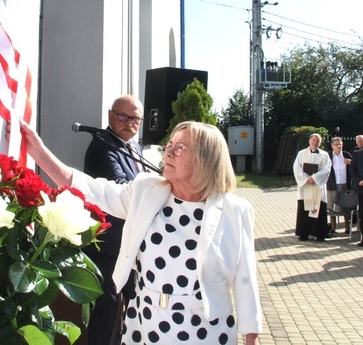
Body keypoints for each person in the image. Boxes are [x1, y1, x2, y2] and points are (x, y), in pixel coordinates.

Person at [19, 119, 262, 345]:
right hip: (146, 324)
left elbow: (246, 280)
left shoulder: (234, 211)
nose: (168, 152)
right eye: (170, 144)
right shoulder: (146, 190)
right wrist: (38, 151)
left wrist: (251, 339)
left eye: (180, 148)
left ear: (206, 158)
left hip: (205, 330)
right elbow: (94, 190)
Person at [82, 95, 145, 345]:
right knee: (106, 316)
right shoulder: (102, 145)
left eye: (135, 119)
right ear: (110, 116)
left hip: (129, 245)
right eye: (123, 116)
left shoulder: (133, 147)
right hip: (108, 247)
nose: (129, 122)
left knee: (134, 310)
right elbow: (122, 188)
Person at [293, 133, 331, 242]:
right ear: (309, 141)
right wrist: (306, 179)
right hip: (306, 186)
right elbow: (297, 168)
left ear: (320, 142)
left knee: (319, 209)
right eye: (313, 140)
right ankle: (303, 233)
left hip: (317, 186)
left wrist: (314, 178)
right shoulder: (301, 153)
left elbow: (327, 169)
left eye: (317, 141)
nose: (315, 142)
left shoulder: (324, 155)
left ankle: (319, 233)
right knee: (304, 209)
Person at [327, 137, 352, 236]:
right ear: (332, 146)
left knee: (345, 206)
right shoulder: (329, 156)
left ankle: (347, 226)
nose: (339, 146)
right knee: (332, 206)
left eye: (340, 144)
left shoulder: (346, 155)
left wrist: (350, 162)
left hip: (344, 183)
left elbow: (355, 166)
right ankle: (333, 227)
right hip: (332, 184)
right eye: (337, 144)